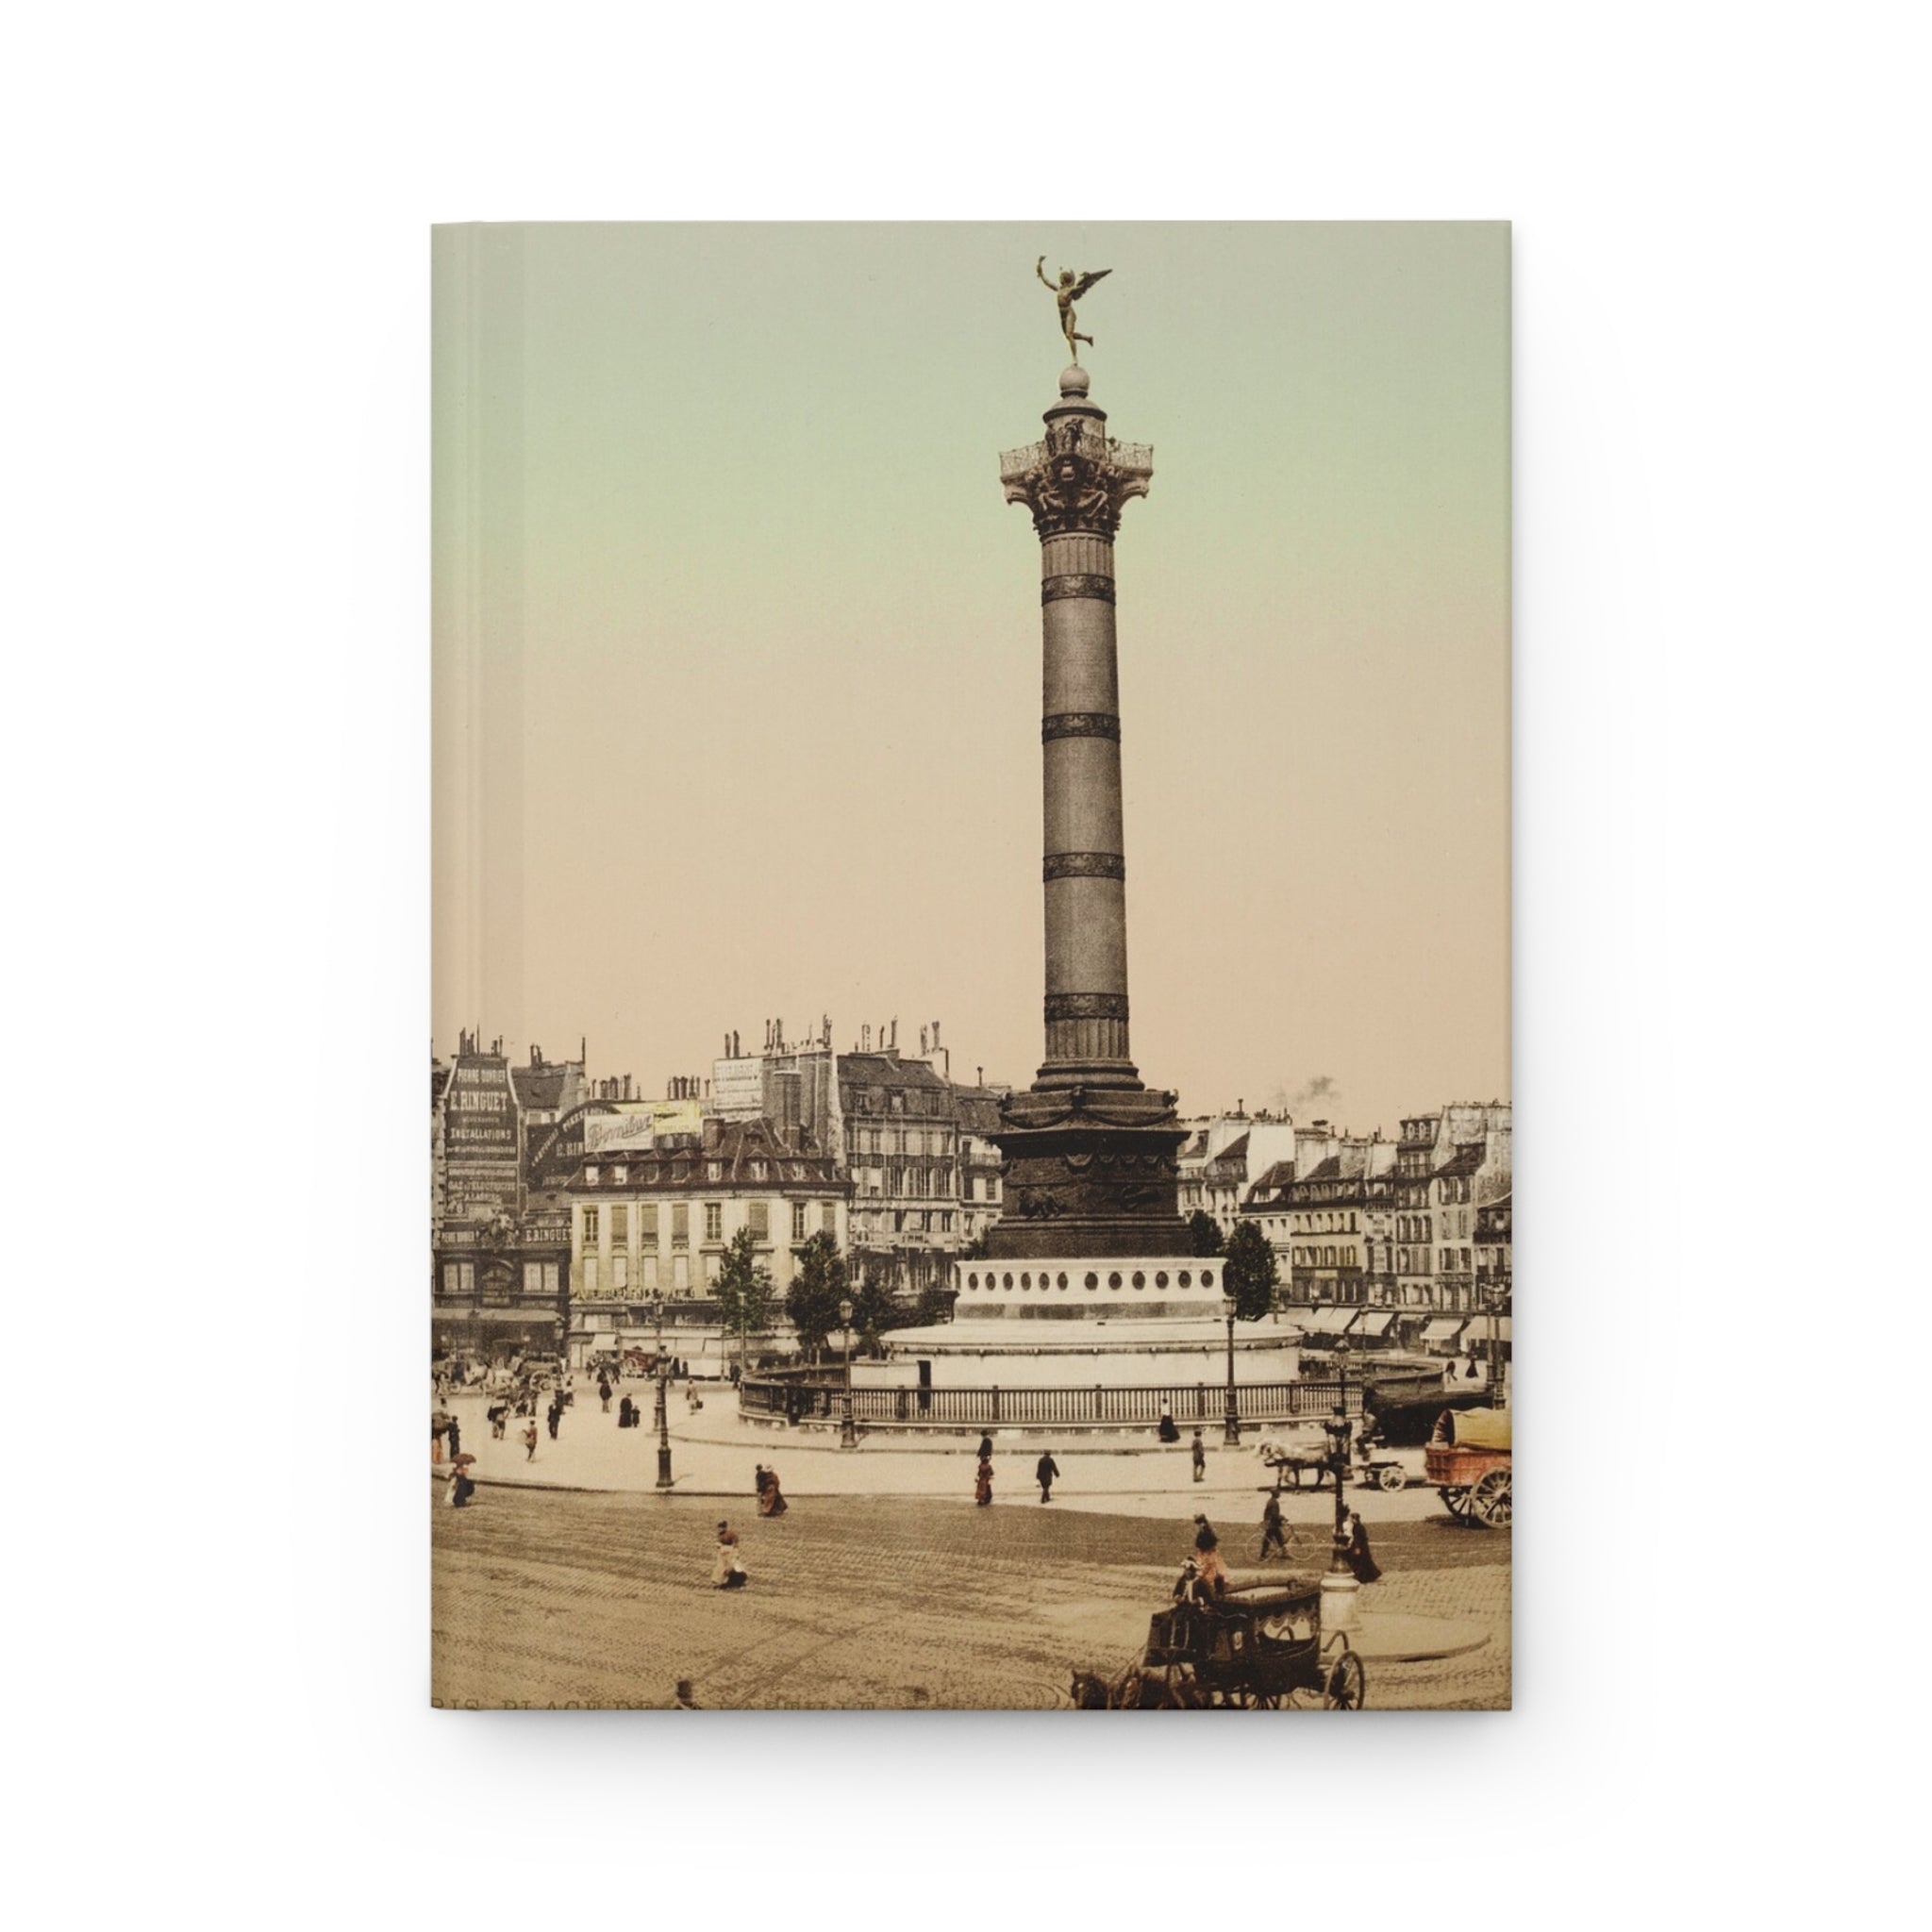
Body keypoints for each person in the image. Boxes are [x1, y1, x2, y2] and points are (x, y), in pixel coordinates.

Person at [1191, 1515, 1230, 1595]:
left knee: (1211, 1572)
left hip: (1208, 1555)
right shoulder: (1206, 1530)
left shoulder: (1205, 1531)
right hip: (1208, 1554)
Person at [1346, 1509, 1382, 1584]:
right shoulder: (1358, 1526)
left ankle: (1362, 1577)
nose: (1351, 1520)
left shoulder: (1358, 1527)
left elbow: (1358, 1538)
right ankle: (1367, 1576)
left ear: (1354, 1519)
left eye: (1352, 1518)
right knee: (1364, 1561)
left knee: (1360, 1561)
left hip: (1360, 1546)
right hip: (1362, 1546)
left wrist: (1357, 1547)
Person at [711, 1522, 747, 1590]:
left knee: (732, 1567)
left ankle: (736, 1582)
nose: (719, 1529)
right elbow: (719, 1543)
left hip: (730, 1552)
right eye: (718, 1528)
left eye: (721, 1528)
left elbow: (735, 1543)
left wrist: (735, 1552)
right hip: (723, 1552)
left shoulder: (730, 1534)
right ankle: (720, 1582)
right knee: (721, 1567)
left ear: (724, 1528)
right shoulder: (720, 1535)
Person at [1258, 1490, 1290, 1561]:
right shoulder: (1274, 1503)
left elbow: (1270, 1514)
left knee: (1274, 1539)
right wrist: (1282, 1517)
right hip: (1272, 1524)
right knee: (1275, 1538)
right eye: (1278, 1493)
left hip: (1270, 1523)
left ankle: (1283, 1553)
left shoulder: (1271, 1501)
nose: (1279, 1494)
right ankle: (1262, 1555)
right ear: (1275, 1494)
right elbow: (1274, 1515)